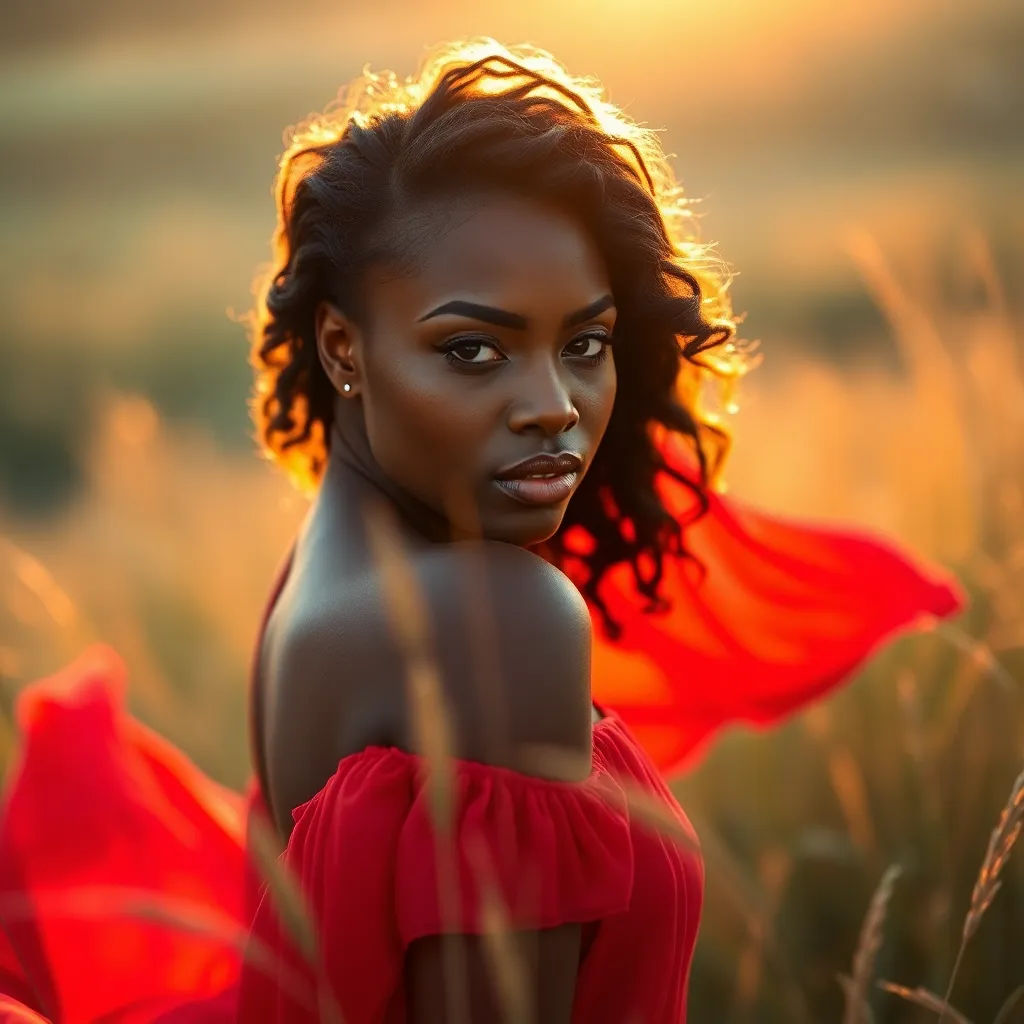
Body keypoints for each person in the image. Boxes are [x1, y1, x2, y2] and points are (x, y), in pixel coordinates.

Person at [0, 40, 961, 1024]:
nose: (554, 406)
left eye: (584, 342)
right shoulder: (497, 614)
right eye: (472, 349)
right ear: (343, 347)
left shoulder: (338, 561)